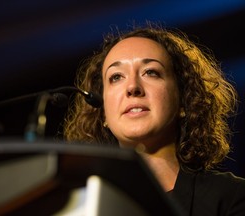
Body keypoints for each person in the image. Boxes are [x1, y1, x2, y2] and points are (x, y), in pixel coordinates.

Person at [62, 22, 245, 215]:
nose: (132, 87)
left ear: (184, 101)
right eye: (116, 77)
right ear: (103, 113)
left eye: (151, 72)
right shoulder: (77, 207)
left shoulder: (232, 197)